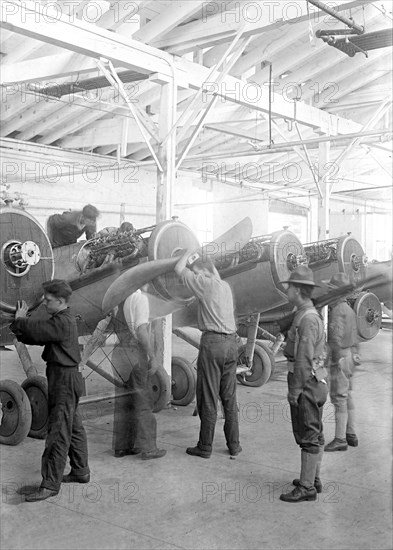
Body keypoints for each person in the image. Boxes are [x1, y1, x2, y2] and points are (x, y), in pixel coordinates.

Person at [10, 279, 90, 502]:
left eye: (48, 299)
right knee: (73, 427)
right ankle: (81, 471)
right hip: (67, 377)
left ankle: (50, 484)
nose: (44, 302)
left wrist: (19, 320)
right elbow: (38, 334)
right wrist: (21, 326)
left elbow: (37, 331)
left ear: (61, 301)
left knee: (58, 432)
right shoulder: (63, 319)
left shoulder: (61, 322)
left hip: (63, 380)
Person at [174, 249, 241, 459]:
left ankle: (205, 446)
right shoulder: (225, 286)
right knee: (229, 398)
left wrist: (186, 253)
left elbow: (178, 269)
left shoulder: (203, 283)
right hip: (232, 344)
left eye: (197, 271)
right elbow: (212, 273)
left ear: (203, 270)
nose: (196, 275)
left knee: (209, 397)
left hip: (213, 344)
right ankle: (234, 445)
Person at [279, 265, 328, 503]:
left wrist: (295, 390)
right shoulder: (307, 314)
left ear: (298, 290)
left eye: (289, 287)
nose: (286, 290)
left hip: (306, 382)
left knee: (308, 434)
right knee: (315, 433)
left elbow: (304, 358)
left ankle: (307, 487)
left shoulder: (307, 319)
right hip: (316, 381)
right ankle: (313, 479)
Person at [111, 289, 166, 460]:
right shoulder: (141, 299)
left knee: (124, 400)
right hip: (136, 352)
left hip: (119, 352)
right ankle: (148, 448)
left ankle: (122, 447)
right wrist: (153, 356)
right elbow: (142, 331)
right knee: (143, 400)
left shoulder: (121, 298)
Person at [323, 272, 359, 451]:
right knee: (348, 396)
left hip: (341, 358)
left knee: (339, 398)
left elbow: (335, 340)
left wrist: (329, 361)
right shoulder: (350, 309)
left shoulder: (337, 311)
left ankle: (340, 439)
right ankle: (351, 433)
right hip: (350, 356)